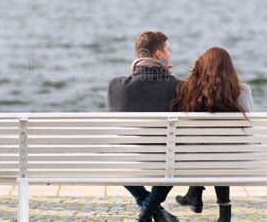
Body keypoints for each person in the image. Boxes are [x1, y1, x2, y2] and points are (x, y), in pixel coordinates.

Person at [171, 47, 253, 222]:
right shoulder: (242, 91)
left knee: (206, 146)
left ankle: (194, 193)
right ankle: (223, 213)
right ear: (230, 68)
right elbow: (248, 128)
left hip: (194, 161)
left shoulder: (188, 91)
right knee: (222, 149)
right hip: (238, 161)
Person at [107, 31, 179, 222]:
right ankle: (148, 214)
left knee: (119, 157)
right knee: (174, 158)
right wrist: (167, 76)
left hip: (127, 162)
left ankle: (150, 211)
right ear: (158, 55)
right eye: (168, 51)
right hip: (166, 163)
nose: (170, 55)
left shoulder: (116, 87)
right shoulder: (177, 87)